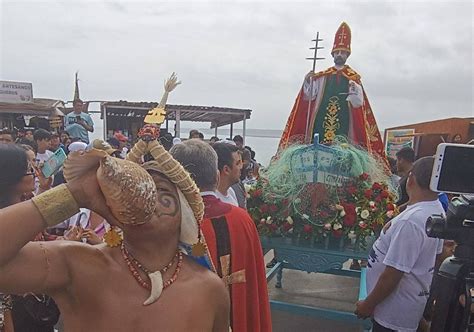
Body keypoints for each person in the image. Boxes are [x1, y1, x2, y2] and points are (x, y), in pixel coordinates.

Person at [0, 140, 229, 331]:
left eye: (162, 192)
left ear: (186, 215)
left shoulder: (209, 288)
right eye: (141, 187)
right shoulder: (77, 263)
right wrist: (74, 194)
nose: (146, 200)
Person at [170, 139, 272, 332]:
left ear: (173, 178)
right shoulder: (243, 220)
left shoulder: (171, 224)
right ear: (217, 177)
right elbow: (255, 287)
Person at [355, 157, 444, 331]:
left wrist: (368, 304)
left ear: (410, 179)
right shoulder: (435, 208)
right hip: (405, 304)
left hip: (392, 313)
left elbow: (393, 273)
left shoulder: (411, 222)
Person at [279, 22, 385, 160]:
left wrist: (354, 91)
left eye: (343, 52)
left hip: (343, 123)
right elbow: (310, 96)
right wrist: (307, 81)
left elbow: (358, 104)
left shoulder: (353, 78)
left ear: (347, 55)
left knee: (341, 149)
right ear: (333, 54)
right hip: (320, 123)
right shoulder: (323, 77)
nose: (339, 55)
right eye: (337, 52)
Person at [0, 144, 59, 332]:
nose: (34, 172)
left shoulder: (21, 204)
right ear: (9, 176)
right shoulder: (6, 217)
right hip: (15, 310)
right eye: (28, 168)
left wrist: (43, 189)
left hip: (33, 301)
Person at [64, 73, 94, 144]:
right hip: (72, 141)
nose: (79, 107)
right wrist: (75, 125)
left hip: (84, 140)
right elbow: (65, 129)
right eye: (77, 105)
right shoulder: (68, 116)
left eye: (81, 105)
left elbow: (91, 129)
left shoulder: (86, 116)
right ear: (74, 106)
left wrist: (83, 124)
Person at [212, 142, 242, 207]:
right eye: (237, 163)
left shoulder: (231, 191)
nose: (241, 167)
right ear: (226, 170)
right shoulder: (214, 199)